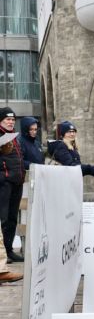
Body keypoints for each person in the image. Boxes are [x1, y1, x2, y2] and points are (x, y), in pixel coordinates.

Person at [0, 108, 24, 262]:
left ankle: (9, 250)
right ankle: (2, 254)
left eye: (13, 119)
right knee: (3, 219)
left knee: (12, 218)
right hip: (4, 183)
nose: (11, 122)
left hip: (17, 182)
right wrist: (3, 176)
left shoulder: (13, 136)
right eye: (7, 119)